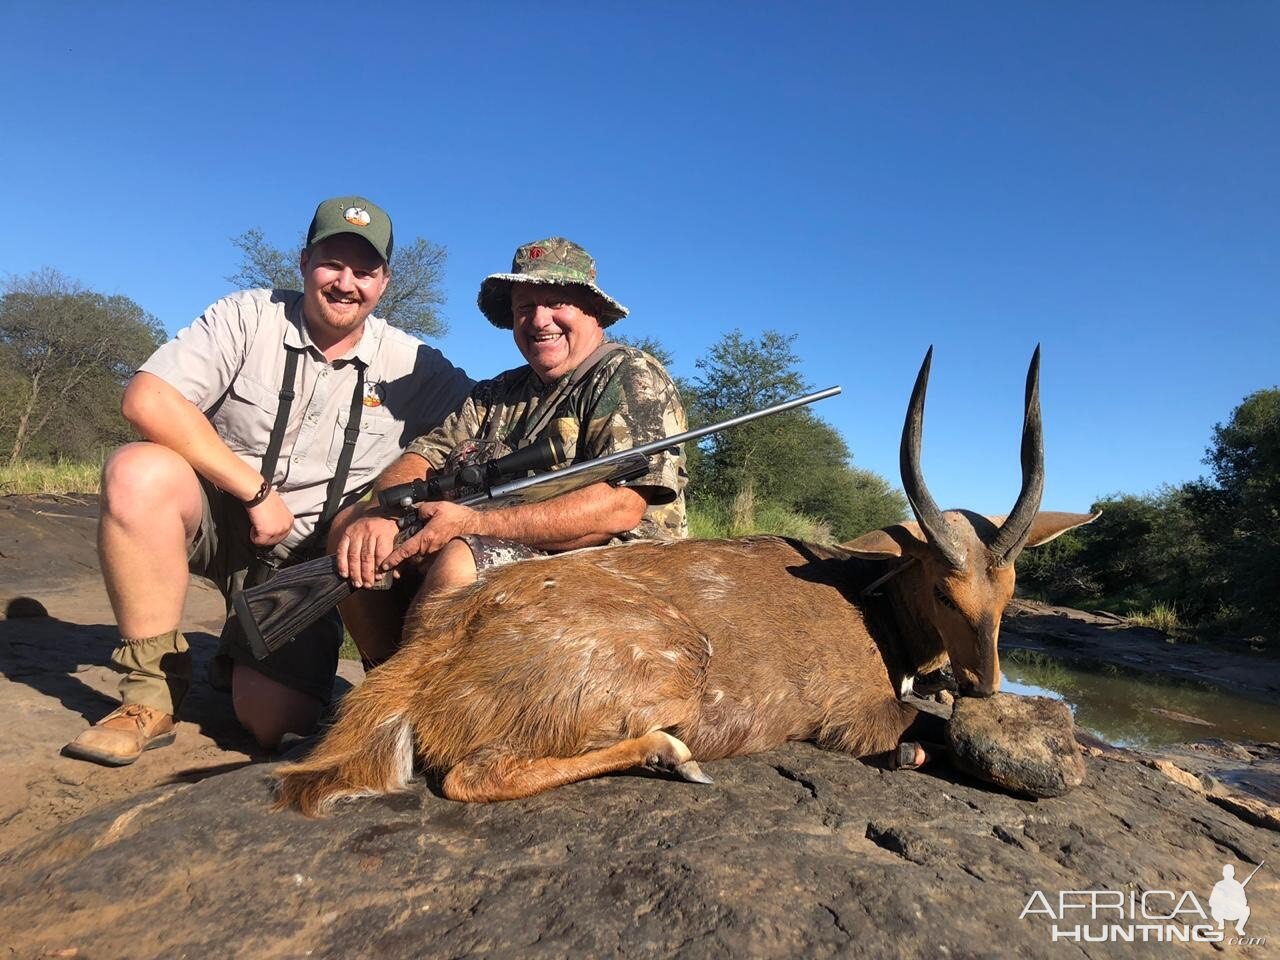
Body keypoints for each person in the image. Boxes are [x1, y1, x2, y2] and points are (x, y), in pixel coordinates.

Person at [63, 196, 472, 765]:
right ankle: (148, 696)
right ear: (304, 261)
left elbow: (488, 421)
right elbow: (147, 397)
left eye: (365, 271)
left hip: (304, 564)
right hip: (221, 519)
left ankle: (242, 650)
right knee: (137, 470)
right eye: (332, 263)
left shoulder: (418, 365)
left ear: (384, 282)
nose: (345, 282)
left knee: (271, 722)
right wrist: (255, 493)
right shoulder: (246, 315)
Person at [332, 236, 687, 665]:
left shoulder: (630, 374)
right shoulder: (496, 392)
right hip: (513, 544)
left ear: (593, 311)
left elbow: (620, 509)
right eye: (524, 307)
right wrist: (383, 514)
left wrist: (472, 523)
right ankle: (387, 685)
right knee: (351, 527)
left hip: (619, 570)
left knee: (460, 561)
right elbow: (421, 457)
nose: (539, 320)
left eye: (556, 302)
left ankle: (411, 709)